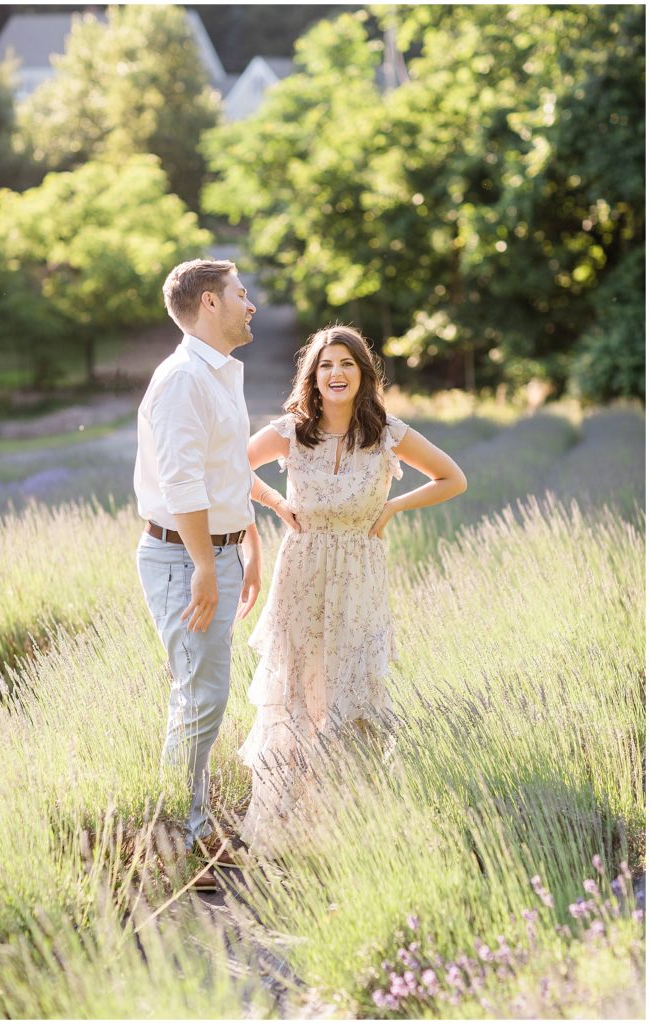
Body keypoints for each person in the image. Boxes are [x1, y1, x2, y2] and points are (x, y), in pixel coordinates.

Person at [240, 324, 467, 857]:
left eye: (346, 363)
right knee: (298, 694)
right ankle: (287, 827)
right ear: (312, 378)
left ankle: (347, 825)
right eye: (325, 365)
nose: (335, 373)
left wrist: (392, 506)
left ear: (363, 374)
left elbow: (453, 479)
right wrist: (275, 503)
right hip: (301, 575)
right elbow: (227, 466)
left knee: (352, 694)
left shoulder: (388, 432)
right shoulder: (290, 431)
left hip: (360, 579)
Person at [134, 258, 293, 891]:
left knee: (201, 696)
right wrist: (205, 562)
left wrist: (258, 531)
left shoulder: (219, 374)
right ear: (209, 302)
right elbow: (181, 483)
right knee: (199, 699)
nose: (250, 304)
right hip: (182, 557)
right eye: (240, 294)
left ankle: (187, 828)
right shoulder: (181, 380)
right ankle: (181, 838)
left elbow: (224, 471)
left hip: (213, 551)